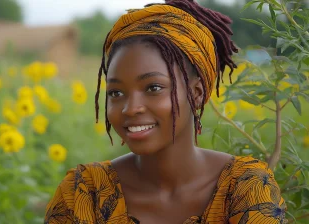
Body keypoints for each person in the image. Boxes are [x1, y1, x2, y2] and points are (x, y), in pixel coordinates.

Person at [44, 0, 287, 223]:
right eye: (116, 93)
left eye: (153, 87)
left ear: (197, 93)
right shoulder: (84, 194)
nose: (130, 108)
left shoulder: (247, 189)